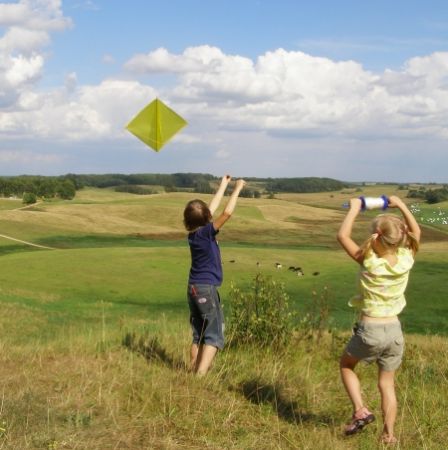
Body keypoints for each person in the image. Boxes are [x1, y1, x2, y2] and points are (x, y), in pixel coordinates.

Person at [337, 195, 421, 444]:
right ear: (402, 236)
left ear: (375, 237)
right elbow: (416, 232)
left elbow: (343, 236)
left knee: (346, 365)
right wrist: (402, 205)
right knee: (387, 384)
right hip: (395, 330)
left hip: (370, 328)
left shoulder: (369, 260)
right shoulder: (407, 258)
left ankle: (361, 410)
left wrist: (353, 209)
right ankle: (389, 435)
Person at [183, 175, 246, 376]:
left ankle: (192, 368)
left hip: (192, 288)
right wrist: (237, 189)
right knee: (214, 334)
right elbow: (226, 213)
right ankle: (200, 376)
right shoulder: (206, 234)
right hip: (205, 288)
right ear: (207, 219)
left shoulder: (194, 235)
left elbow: (210, 210)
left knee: (199, 334)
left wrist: (223, 185)